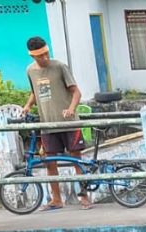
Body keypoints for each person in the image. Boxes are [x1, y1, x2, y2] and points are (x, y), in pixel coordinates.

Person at [21, 36, 91, 211]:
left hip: (68, 124)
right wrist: (28, 105)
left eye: (46, 54)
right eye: (40, 56)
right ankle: (56, 199)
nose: (44, 58)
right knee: (49, 162)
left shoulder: (59, 66)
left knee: (76, 160)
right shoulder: (30, 71)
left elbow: (76, 92)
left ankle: (84, 198)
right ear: (32, 56)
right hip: (47, 124)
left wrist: (71, 109)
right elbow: (35, 92)